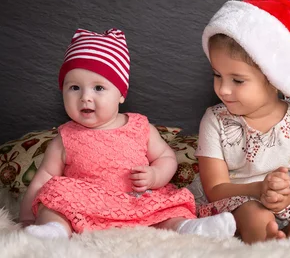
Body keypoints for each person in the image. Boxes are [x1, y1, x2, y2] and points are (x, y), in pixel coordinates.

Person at [19, 28, 236, 239]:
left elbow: (166, 157)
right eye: (74, 87)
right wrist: (27, 216)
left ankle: (189, 227)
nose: (85, 97)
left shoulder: (139, 127)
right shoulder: (66, 137)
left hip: (138, 200)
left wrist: (155, 176)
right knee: (55, 194)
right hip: (86, 205)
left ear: (121, 94)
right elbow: (43, 179)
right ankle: (52, 230)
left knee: (171, 207)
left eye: (98, 88)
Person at [190, 0, 290, 244]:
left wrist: (284, 199)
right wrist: (257, 190)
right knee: (254, 214)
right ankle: (268, 245)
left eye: (237, 80)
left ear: (274, 80)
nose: (223, 89)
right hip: (237, 198)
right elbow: (215, 189)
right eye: (217, 75)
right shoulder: (215, 119)